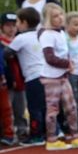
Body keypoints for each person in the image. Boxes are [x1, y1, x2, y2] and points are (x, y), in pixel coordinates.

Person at [37, 4, 78, 150]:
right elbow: (49, 57)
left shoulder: (60, 33)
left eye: (60, 15)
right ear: (47, 18)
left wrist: (68, 64)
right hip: (51, 77)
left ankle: (74, 136)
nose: (59, 18)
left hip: (63, 76)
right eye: (55, 16)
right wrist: (67, 63)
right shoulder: (47, 35)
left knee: (71, 107)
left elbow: (65, 51)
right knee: (53, 109)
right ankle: (52, 140)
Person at [6, 8, 46, 145]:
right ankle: (49, 131)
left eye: (17, 21)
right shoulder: (40, 35)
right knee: (44, 106)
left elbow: (7, 52)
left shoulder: (21, 38)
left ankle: (36, 135)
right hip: (46, 74)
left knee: (34, 107)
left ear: (24, 22)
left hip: (33, 76)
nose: (16, 25)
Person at [1, 12, 28, 140]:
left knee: (20, 107)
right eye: (7, 25)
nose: (11, 28)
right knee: (7, 109)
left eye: (14, 25)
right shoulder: (2, 43)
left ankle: (21, 130)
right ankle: (7, 132)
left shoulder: (21, 40)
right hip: (7, 81)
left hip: (21, 80)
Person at [66, 11, 78, 132]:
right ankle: (72, 122)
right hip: (71, 73)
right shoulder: (65, 39)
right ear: (67, 25)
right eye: (75, 24)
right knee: (73, 98)